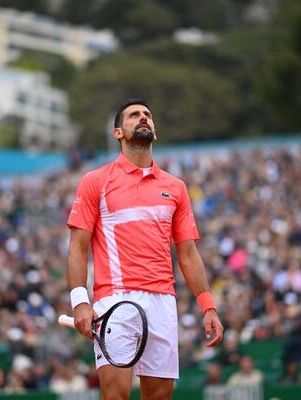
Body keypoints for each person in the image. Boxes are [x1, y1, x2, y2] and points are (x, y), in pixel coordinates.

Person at [67, 98, 223, 400]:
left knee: (159, 397)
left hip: (163, 303)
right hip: (115, 300)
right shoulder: (95, 182)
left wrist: (208, 306)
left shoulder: (176, 187)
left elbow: (188, 254)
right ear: (118, 133)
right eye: (134, 115)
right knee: (115, 396)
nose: (143, 118)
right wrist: (80, 303)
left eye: (147, 115)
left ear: (155, 130)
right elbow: (77, 248)